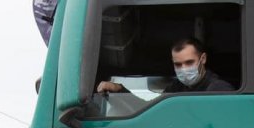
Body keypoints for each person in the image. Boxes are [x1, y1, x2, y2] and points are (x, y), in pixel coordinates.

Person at [97, 37, 234, 94]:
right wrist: (118, 89)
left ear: (203, 59)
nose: (184, 69)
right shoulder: (177, 87)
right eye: (178, 64)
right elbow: (150, 107)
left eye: (189, 62)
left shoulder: (219, 90)